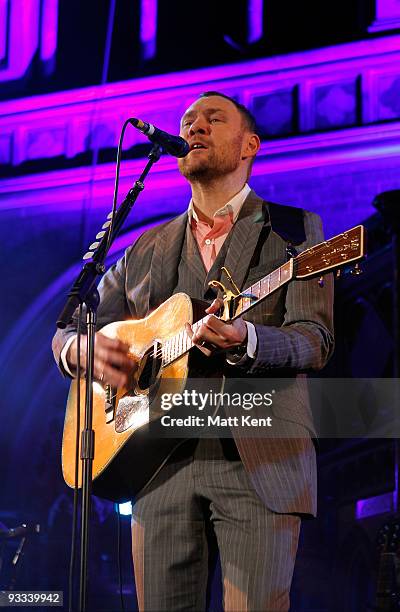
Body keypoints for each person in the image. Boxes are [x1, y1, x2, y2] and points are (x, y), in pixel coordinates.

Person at [53, 91, 334, 611]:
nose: (194, 126)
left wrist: (246, 340)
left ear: (249, 145)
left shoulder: (297, 232)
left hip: (258, 458)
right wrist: (85, 352)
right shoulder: (145, 247)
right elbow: (69, 326)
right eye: (187, 121)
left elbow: (314, 341)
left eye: (213, 118)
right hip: (155, 464)